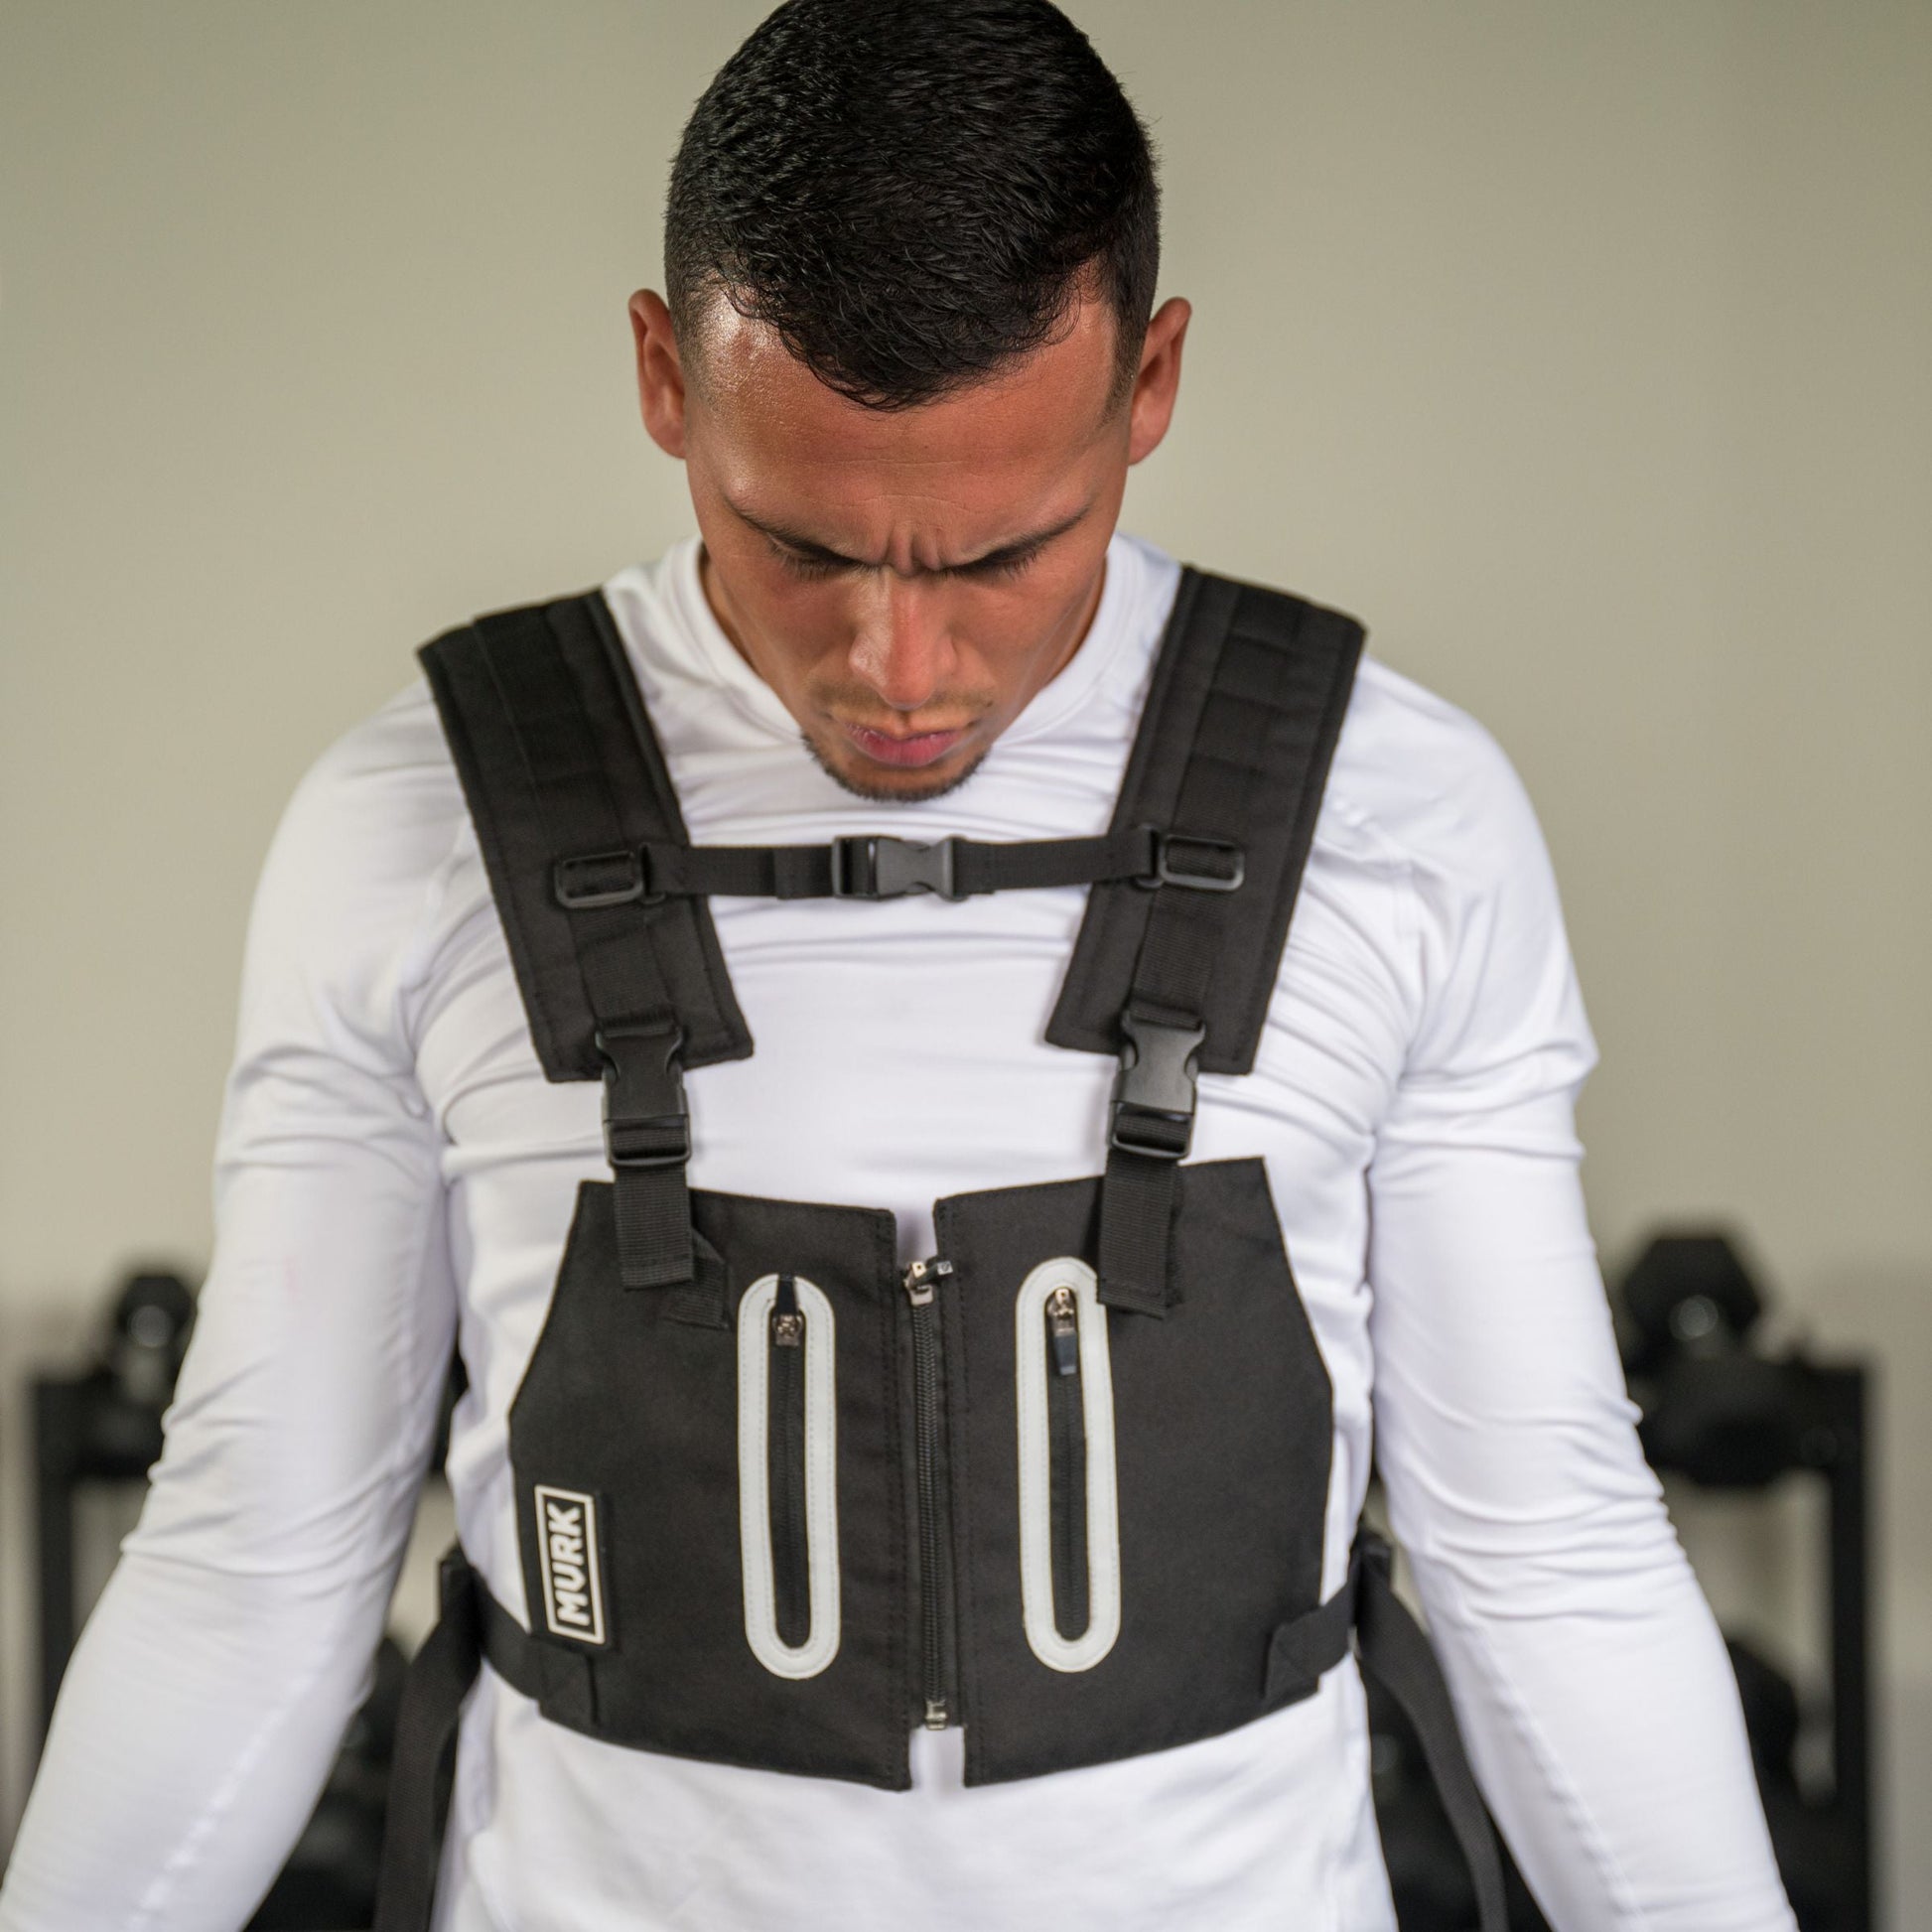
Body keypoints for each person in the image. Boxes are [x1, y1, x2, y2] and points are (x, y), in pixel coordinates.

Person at [0, 3, 1798, 1928]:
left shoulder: (1398, 813)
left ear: (1153, 382)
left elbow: (1547, 1558)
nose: (900, 670)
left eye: (1004, 554)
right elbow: (251, 1565)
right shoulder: (412, 823)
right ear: (662, 377)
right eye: (802, 548)